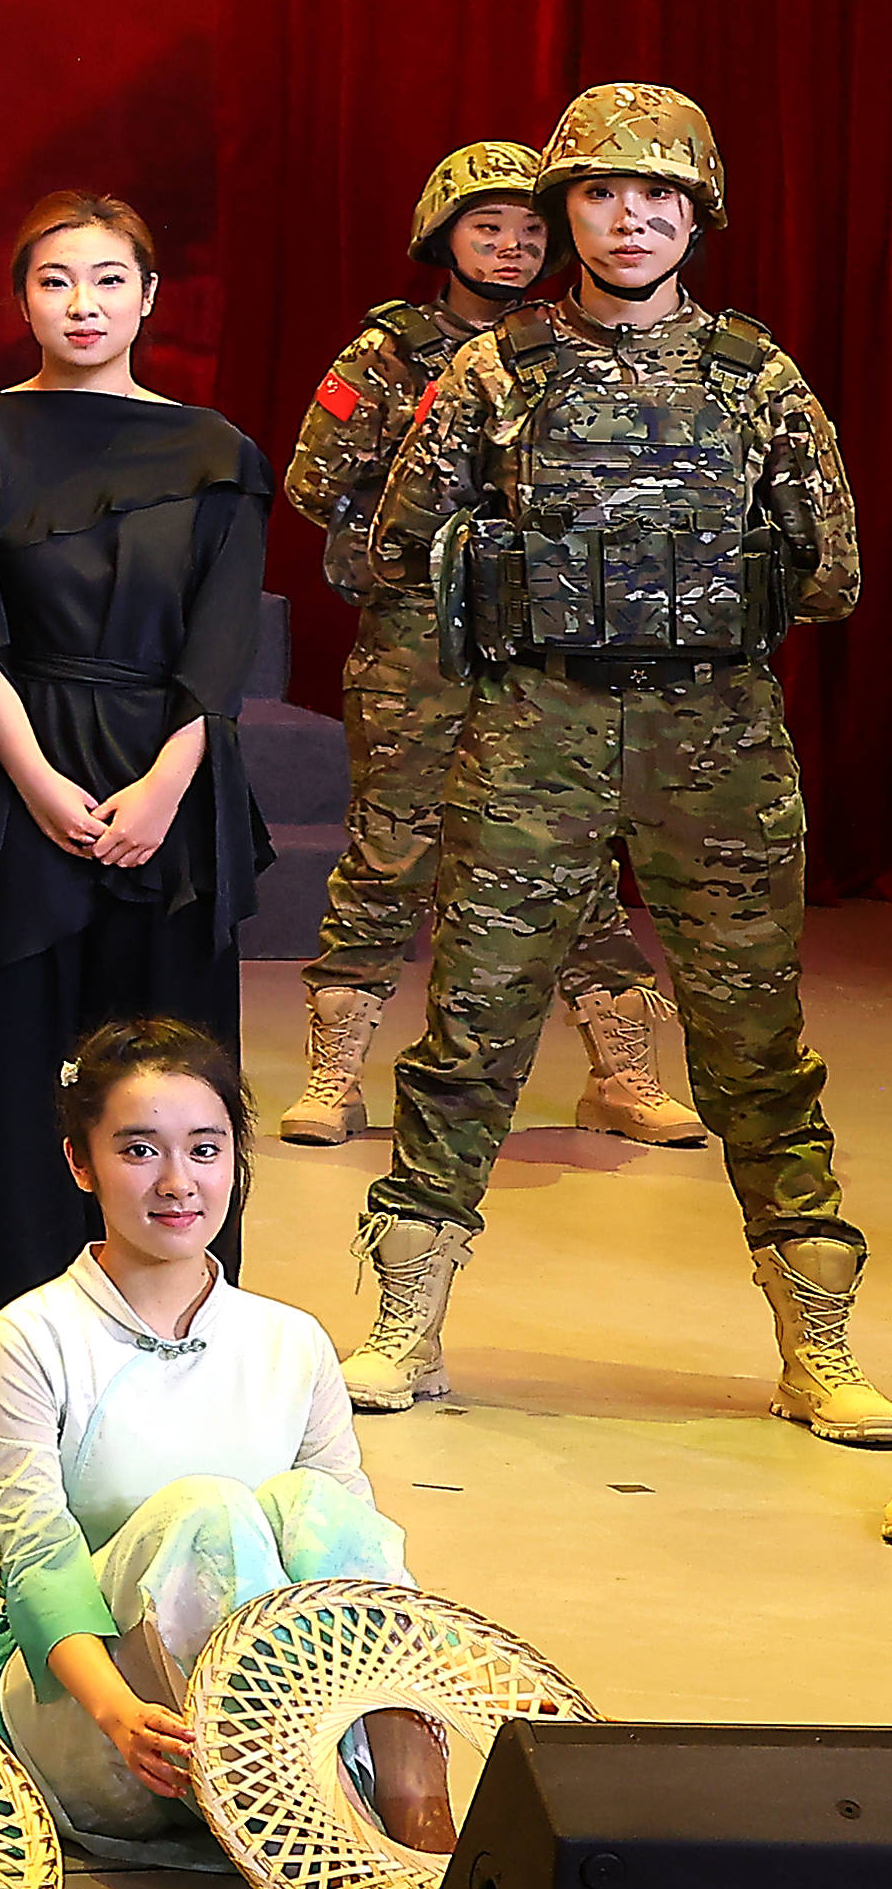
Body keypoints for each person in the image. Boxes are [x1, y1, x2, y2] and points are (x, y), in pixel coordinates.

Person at [333, 86, 868, 1436]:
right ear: (564, 211)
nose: (630, 219)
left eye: (658, 195)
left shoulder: (756, 376)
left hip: (717, 744)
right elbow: (402, 544)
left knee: (755, 1040)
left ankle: (817, 1345)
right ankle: (405, 1328)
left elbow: (832, 574)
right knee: (473, 1025)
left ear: (697, 213)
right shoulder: (493, 371)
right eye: (601, 193)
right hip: (537, 732)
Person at [0, 200, 275, 1378]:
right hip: (16, 769)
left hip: (172, 775)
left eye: (109, 279)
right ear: (21, 297)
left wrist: (166, 785)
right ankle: (9, 1327)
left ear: (149, 296)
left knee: (173, 1062)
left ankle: (174, 1318)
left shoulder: (217, 448)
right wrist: (36, 781)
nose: (83, 304)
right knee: (10, 1058)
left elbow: (220, 651)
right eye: (56, 280)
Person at [0, 1016, 424, 1857]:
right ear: (80, 1164)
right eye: (140, 1151)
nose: (178, 1182)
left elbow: (354, 1560)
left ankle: (418, 1815)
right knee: (211, 1509)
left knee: (316, 1505)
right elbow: (37, 1565)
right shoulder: (29, 1336)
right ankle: (325, 1832)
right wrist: (119, 1714)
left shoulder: (293, 1340)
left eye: (206, 1150)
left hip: (286, 1728)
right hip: (103, 1716)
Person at [283, 140, 642, 1147]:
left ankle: (626, 1073)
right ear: (443, 236)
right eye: (489, 227)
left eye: (531, 231)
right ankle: (334, 1076)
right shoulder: (389, 353)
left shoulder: (577, 346)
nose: (512, 247)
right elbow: (313, 482)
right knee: (391, 847)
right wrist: (411, 520)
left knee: (574, 847)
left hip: (544, 638)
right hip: (418, 636)